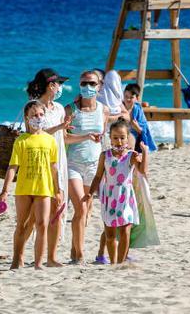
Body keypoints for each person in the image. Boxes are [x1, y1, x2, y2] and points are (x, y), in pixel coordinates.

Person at [0, 101, 62, 270]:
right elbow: (13, 167)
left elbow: (54, 167)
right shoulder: (21, 140)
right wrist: (5, 190)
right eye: (34, 115)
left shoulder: (49, 140)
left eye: (41, 115)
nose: (38, 118)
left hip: (44, 189)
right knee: (22, 225)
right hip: (24, 189)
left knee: (42, 224)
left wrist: (58, 189)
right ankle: (17, 259)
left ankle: (39, 262)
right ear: (27, 118)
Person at [22, 68, 72, 267]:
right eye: (58, 83)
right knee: (35, 216)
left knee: (57, 211)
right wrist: (59, 128)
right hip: (40, 164)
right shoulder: (33, 107)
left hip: (59, 161)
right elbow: (32, 132)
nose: (60, 87)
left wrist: (88, 137)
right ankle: (21, 253)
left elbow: (64, 138)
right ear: (51, 85)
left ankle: (51, 257)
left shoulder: (59, 108)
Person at [86, 119, 146, 265]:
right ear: (110, 138)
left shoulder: (131, 155)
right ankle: (113, 263)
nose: (119, 141)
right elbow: (98, 176)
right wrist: (90, 193)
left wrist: (145, 153)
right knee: (110, 234)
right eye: (115, 138)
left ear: (127, 138)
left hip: (125, 196)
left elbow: (143, 171)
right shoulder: (104, 156)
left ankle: (120, 262)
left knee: (125, 231)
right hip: (110, 196)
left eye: (122, 137)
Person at [64, 70, 109, 264]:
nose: (87, 87)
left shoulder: (104, 110)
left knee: (86, 211)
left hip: (94, 166)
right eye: (83, 83)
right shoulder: (70, 110)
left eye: (92, 84)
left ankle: (75, 251)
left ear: (99, 87)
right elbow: (64, 137)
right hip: (73, 165)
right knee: (81, 209)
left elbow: (103, 136)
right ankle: (80, 253)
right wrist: (86, 136)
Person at [123, 83, 157, 152]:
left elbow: (143, 129)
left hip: (136, 139)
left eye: (131, 97)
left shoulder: (137, 109)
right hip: (122, 136)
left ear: (137, 98)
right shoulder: (120, 107)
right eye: (126, 96)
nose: (128, 99)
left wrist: (137, 127)